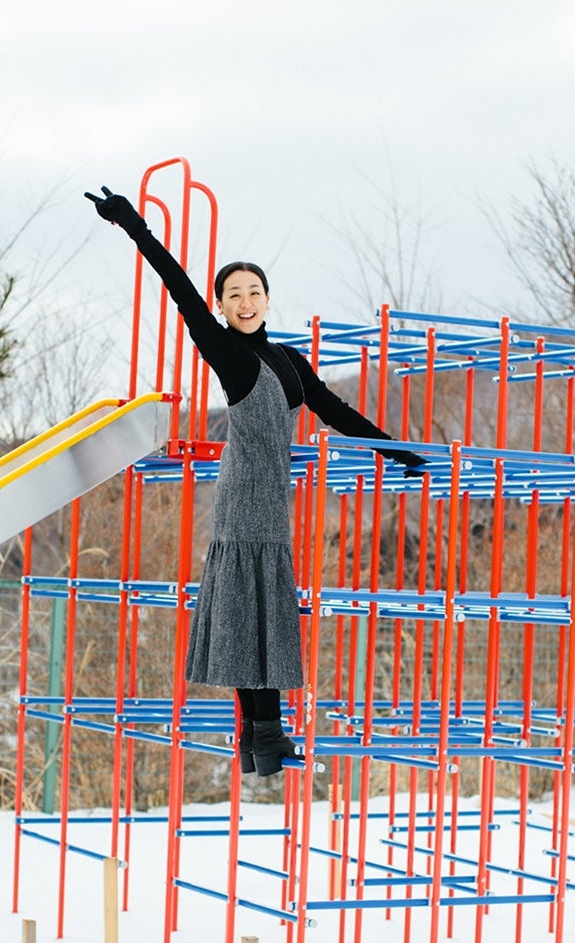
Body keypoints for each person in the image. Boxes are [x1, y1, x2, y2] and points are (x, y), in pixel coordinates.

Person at [86, 185, 424, 776]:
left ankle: (258, 741)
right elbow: (178, 287)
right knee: (251, 614)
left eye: (254, 292)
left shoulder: (291, 361)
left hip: (274, 498)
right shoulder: (226, 351)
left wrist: (393, 449)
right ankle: (266, 736)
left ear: (268, 299)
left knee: (259, 615)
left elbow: (333, 411)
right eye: (233, 294)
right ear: (221, 307)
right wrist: (133, 224)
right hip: (244, 496)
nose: (245, 301)